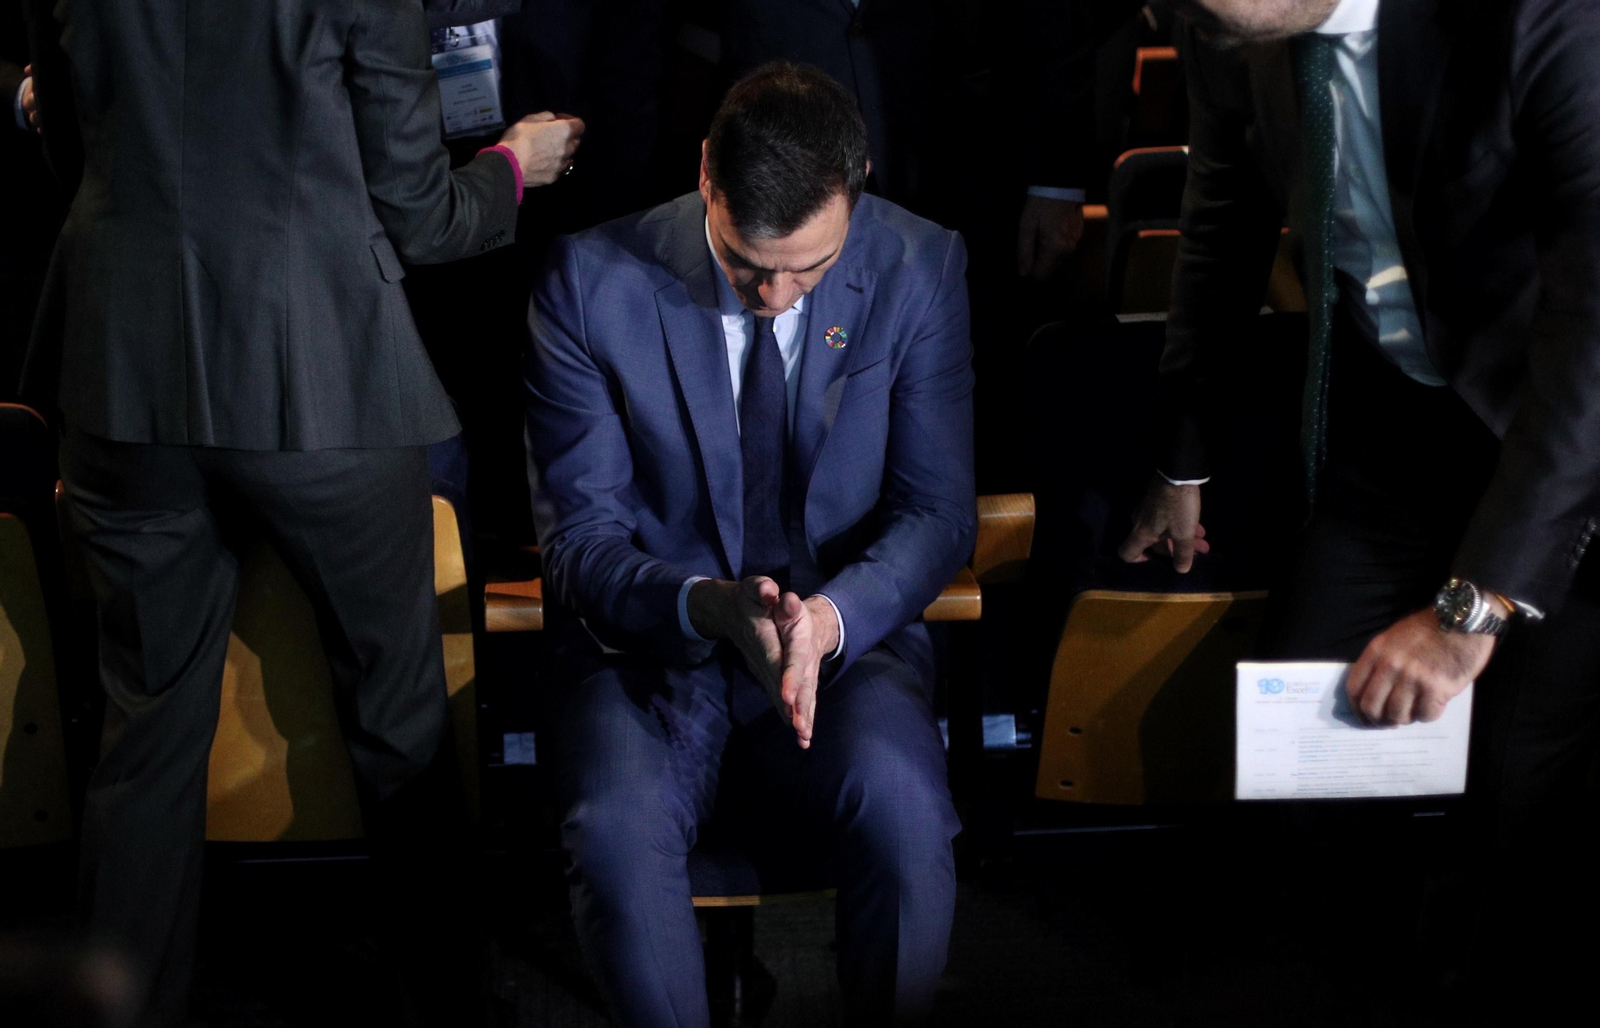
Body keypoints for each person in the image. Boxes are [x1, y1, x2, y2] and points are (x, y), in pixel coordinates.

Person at [20, 1, 582, 1024]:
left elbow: (69, 149)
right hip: (320, 381)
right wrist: (513, 165)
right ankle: (443, 1002)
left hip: (122, 376)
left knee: (143, 728)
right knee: (401, 715)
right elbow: (423, 217)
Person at [1120, 0, 1600, 1014]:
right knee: (1310, 765)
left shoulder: (1538, 20)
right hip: (1397, 434)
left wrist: (1475, 604)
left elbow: (1591, 333)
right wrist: (1184, 457)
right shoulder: (1230, 24)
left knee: (1515, 807)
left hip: (1559, 445)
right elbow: (1221, 220)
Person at [525, 61, 976, 1026]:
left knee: (905, 813)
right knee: (612, 832)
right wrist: (708, 606)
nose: (773, 297)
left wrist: (828, 618)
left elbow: (937, 513)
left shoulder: (920, 266)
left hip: (842, 642)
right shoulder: (590, 281)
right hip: (647, 649)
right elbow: (580, 543)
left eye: (807, 270)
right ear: (704, 179)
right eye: (743, 263)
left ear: (858, 184)